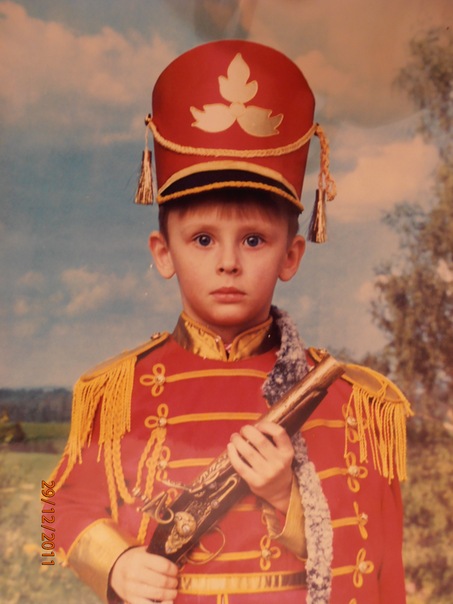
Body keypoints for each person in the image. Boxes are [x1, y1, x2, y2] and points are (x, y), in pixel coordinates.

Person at [51, 40, 412, 604]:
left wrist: (289, 498)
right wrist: (115, 563)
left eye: (254, 240)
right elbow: (52, 510)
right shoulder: (112, 395)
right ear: (163, 252)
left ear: (291, 255)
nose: (228, 262)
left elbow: (380, 556)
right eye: (202, 239)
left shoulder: (355, 406)